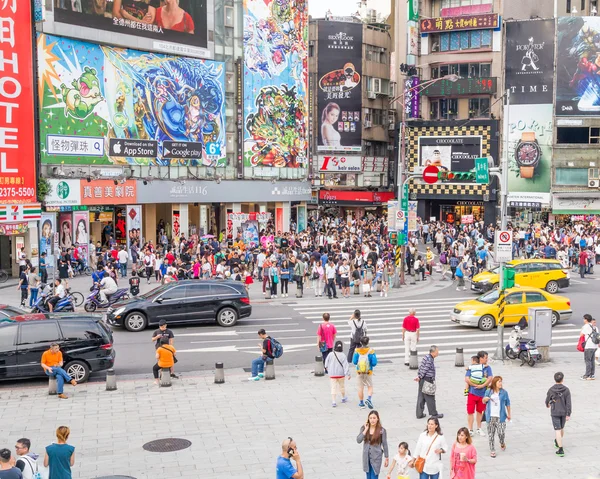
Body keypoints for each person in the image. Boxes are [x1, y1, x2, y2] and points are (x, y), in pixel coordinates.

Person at [482, 376, 511, 458]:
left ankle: (502, 442)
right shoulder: (489, 391)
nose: (501, 383)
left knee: (501, 433)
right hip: (490, 416)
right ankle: (492, 449)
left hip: (500, 416)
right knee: (491, 434)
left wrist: (509, 414)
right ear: (495, 383)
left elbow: (508, 403)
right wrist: (486, 399)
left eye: (501, 381)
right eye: (499, 382)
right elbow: (483, 401)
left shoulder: (504, 392)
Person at [465, 350, 492, 436]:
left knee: (480, 411)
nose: (487, 359)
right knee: (470, 412)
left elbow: (490, 378)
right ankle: (470, 429)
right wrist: (474, 385)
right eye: (485, 358)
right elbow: (466, 378)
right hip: (472, 393)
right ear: (480, 358)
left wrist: (482, 385)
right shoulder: (473, 367)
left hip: (483, 394)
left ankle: (479, 428)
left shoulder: (487, 368)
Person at [545, 371, 572, 457]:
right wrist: (568, 414)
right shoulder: (566, 390)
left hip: (555, 411)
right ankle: (558, 440)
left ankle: (560, 449)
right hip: (563, 412)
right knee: (561, 428)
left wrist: (547, 404)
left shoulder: (551, 389)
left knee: (557, 429)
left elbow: (547, 400)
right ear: (562, 379)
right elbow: (569, 403)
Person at [356, 410, 389, 479]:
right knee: (368, 477)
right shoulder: (364, 428)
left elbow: (385, 444)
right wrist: (365, 430)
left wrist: (387, 457)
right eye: (370, 418)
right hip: (366, 457)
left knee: (374, 476)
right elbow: (358, 440)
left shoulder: (382, 431)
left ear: (377, 419)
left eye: (374, 418)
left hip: (376, 457)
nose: (372, 420)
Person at [415, 345, 442, 419]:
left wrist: (419, 376)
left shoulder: (426, 357)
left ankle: (419, 413)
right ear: (433, 352)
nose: (438, 353)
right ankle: (434, 413)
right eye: (437, 351)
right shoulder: (430, 359)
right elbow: (425, 369)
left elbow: (421, 368)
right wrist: (420, 376)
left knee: (421, 397)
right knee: (430, 397)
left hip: (422, 380)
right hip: (427, 380)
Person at [353, 336, 378, 410]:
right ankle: (369, 399)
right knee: (370, 386)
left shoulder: (357, 351)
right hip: (368, 371)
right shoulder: (371, 351)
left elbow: (354, 362)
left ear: (360, 342)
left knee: (360, 387)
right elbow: (374, 363)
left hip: (359, 371)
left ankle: (361, 403)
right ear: (368, 342)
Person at [324, 340, 350, 407]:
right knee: (342, 386)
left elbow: (326, 364)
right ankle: (343, 397)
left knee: (333, 387)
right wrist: (348, 374)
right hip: (341, 374)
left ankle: (333, 401)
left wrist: (328, 370)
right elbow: (345, 365)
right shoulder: (343, 355)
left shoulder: (330, 354)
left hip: (332, 374)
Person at [580, 313, 597, 380]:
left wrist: (582, 329)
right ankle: (592, 374)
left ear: (586, 319)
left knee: (587, 361)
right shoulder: (594, 327)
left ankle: (587, 375)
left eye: (584, 319)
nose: (583, 320)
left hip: (589, 346)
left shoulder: (586, 326)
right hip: (594, 346)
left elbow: (581, 335)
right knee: (592, 360)